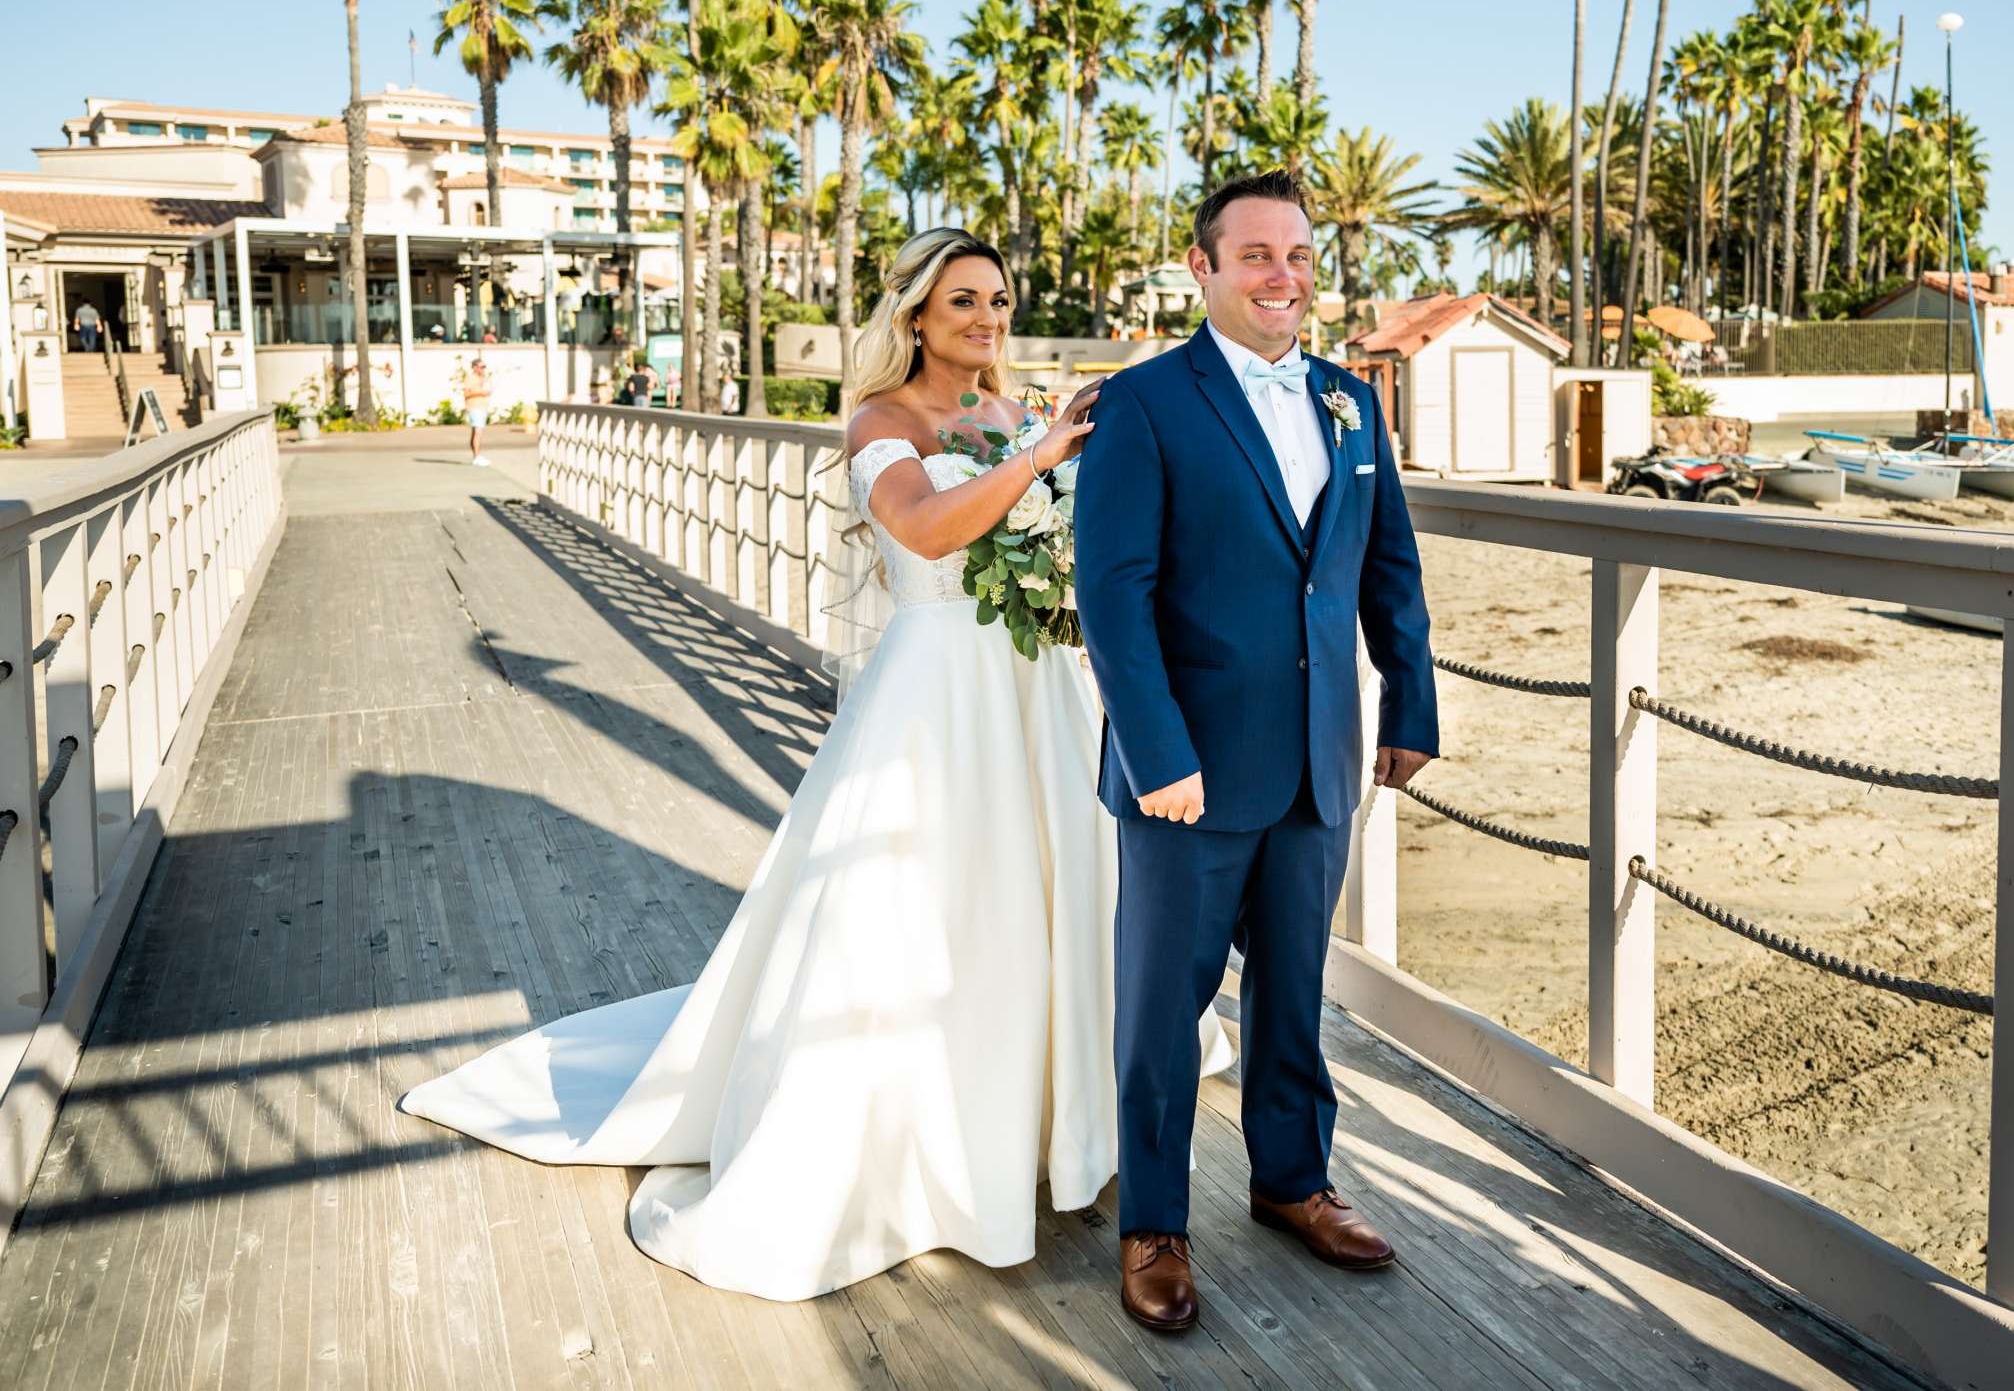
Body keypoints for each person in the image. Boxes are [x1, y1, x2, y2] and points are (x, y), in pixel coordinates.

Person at [398, 228, 1231, 1303]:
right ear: (917, 316)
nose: (986, 319)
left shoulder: (1019, 411)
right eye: (963, 300)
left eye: (999, 301)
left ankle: (1055, 1122)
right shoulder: (881, 422)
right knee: (917, 910)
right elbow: (927, 532)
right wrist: (1037, 464)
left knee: (1057, 900)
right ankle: (922, 1141)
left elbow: (1068, 541)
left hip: (1034, 688)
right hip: (936, 697)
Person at [1078, 170, 1440, 1332]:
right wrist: (1155, 754)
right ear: (1204, 268)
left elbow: (1389, 568)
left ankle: (1294, 1182)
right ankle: (1154, 1225)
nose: (1283, 276)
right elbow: (1114, 597)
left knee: (1295, 993)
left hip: (1320, 758)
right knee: (1162, 1006)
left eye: (1297, 256)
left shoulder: (1351, 399)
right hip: (1186, 768)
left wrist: (1410, 710)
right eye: (1256, 257)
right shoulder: (1145, 405)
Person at [461, 356, 494, 465]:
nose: (483, 369)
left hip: (481, 408)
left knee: (476, 432)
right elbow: (466, 393)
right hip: (475, 408)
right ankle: (476, 457)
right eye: (481, 367)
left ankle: (476, 456)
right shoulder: (470, 378)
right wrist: (482, 392)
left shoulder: (481, 378)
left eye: (484, 367)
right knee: (478, 433)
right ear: (475, 367)